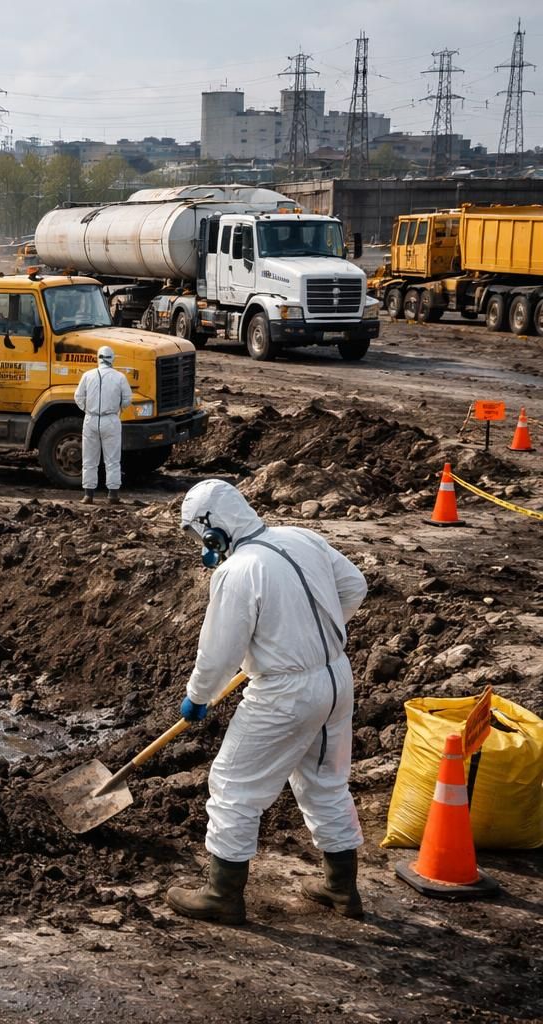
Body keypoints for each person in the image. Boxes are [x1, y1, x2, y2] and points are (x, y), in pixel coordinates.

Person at [165, 479, 368, 925]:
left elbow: (218, 652)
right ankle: (341, 888)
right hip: (336, 677)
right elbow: (355, 585)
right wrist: (317, 638)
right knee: (326, 783)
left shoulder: (238, 571)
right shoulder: (301, 536)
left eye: (198, 536)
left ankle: (222, 894)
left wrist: (197, 697)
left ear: (212, 528)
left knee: (234, 787)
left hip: (284, 694)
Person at [73, 345, 131, 504]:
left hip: (90, 419)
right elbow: (127, 400)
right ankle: (113, 494)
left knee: (89, 458)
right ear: (113, 358)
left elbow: (78, 397)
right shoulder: (120, 377)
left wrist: (87, 409)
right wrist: (117, 409)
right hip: (111, 419)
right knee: (112, 459)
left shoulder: (87, 375)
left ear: (97, 358)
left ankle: (88, 495)